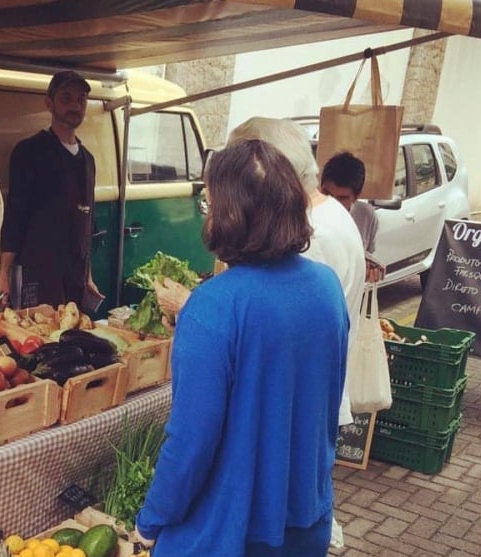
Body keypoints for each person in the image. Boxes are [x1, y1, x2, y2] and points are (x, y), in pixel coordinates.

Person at [135, 139, 349, 556]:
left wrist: (150, 521)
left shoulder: (212, 306)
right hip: (306, 524)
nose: (207, 215)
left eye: (209, 204)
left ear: (230, 214)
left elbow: (190, 442)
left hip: (226, 535)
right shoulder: (326, 287)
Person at [158, 117, 364, 426]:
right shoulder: (328, 213)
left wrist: (194, 309)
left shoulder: (312, 233)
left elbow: (277, 332)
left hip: (286, 409)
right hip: (303, 401)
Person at [0, 70, 103, 309]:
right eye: (66, 98)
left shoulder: (88, 160)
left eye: (81, 100)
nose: (75, 105)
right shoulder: (29, 152)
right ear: (49, 103)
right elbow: (15, 215)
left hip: (74, 277)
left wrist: (88, 275)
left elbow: (86, 223)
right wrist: (3, 273)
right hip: (38, 272)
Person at [319, 151, 384, 282]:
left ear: (356, 196)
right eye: (327, 194)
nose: (332, 202)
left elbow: (366, 258)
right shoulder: (307, 215)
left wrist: (370, 269)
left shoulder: (366, 216)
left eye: (341, 198)